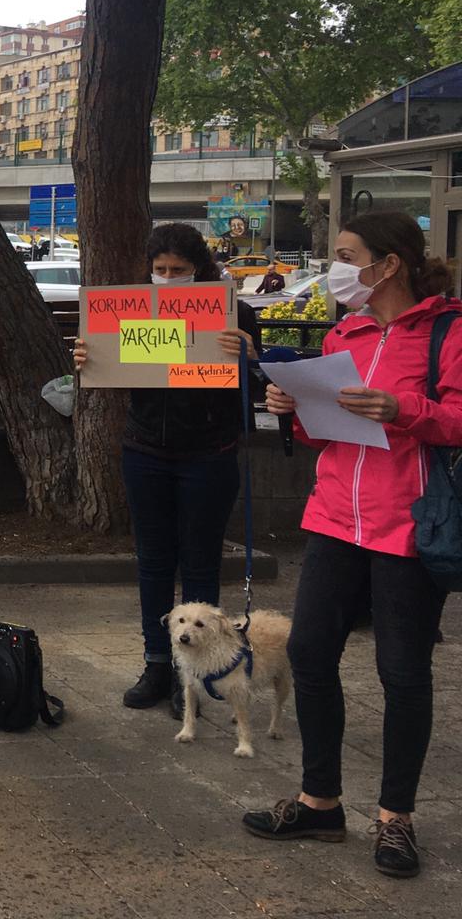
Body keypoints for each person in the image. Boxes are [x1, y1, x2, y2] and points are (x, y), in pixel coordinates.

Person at [243, 211, 460, 879]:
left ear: (388, 264)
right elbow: (328, 429)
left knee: (403, 673)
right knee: (309, 654)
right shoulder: (345, 332)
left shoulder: (448, 331)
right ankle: (321, 802)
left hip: (408, 526)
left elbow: (456, 419)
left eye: (346, 255)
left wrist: (403, 410)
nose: (336, 269)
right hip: (335, 518)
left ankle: (396, 819)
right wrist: (293, 411)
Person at [73, 223, 262, 719]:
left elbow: (259, 389)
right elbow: (116, 369)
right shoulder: (135, 309)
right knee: (153, 562)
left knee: (199, 564)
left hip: (209, 453)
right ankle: (156, 664)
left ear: (199, 269)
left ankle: (193, 677)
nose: (169, 277)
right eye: (160, 269)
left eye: (179, 270)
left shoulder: (234, 313)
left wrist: (249, 359)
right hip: (145, 451)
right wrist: (89, 357)